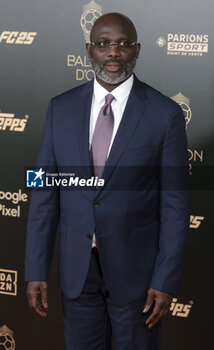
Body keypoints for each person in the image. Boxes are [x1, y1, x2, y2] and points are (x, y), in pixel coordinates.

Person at [25, 12, 189, 350]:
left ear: (137, 50)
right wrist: (36, 268)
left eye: (123, 44)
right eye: (103, 44)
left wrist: (165, 278)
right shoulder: (61, 109)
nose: (113, 53)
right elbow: (43, 193)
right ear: (89, 49)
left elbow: (175, 205)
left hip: (138, 276)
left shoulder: (164, 115)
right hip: (77, 273)